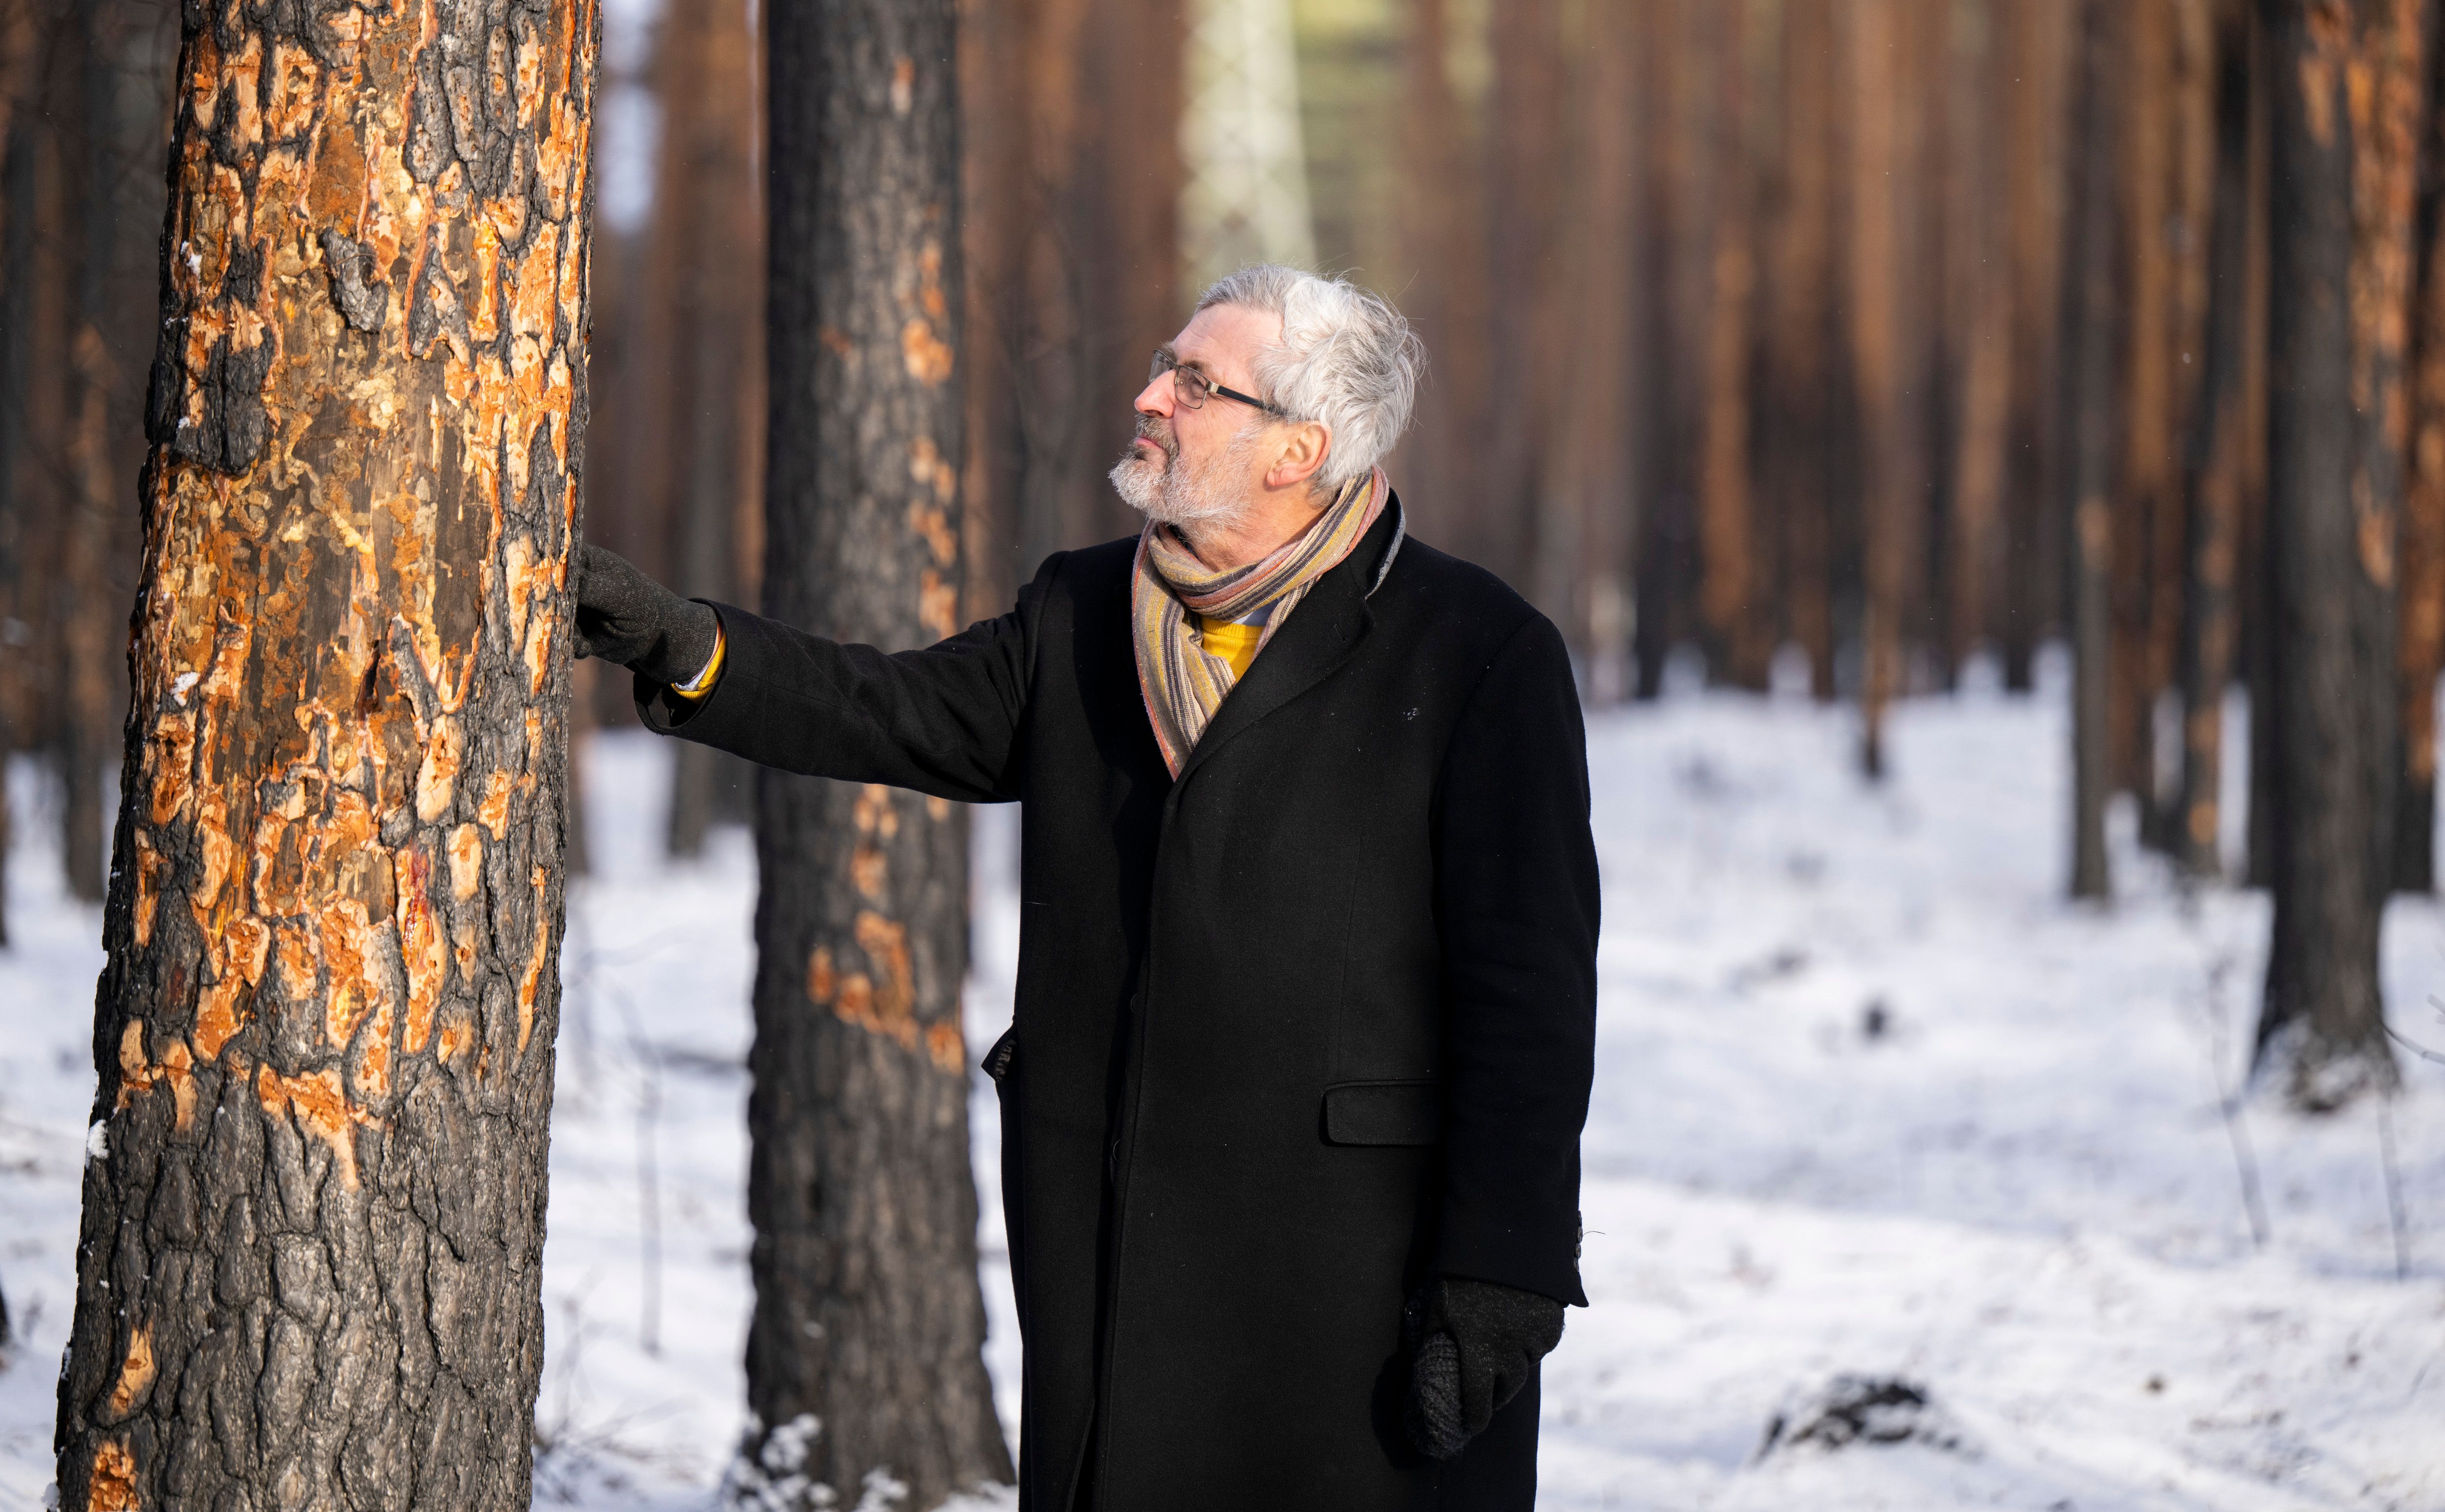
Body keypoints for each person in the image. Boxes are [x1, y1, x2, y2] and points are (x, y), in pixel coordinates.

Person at [574, 265, 1598, 1512]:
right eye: (1164, 366)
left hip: (1350, 1265)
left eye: (1193, 381)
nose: (1148, 394)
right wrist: (690, 647)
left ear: (1299, 448)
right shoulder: (1080, 611)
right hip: (1112, 1229)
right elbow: (894, 710)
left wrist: (1505, 1269)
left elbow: (1530, 985)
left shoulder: (1477, 648)